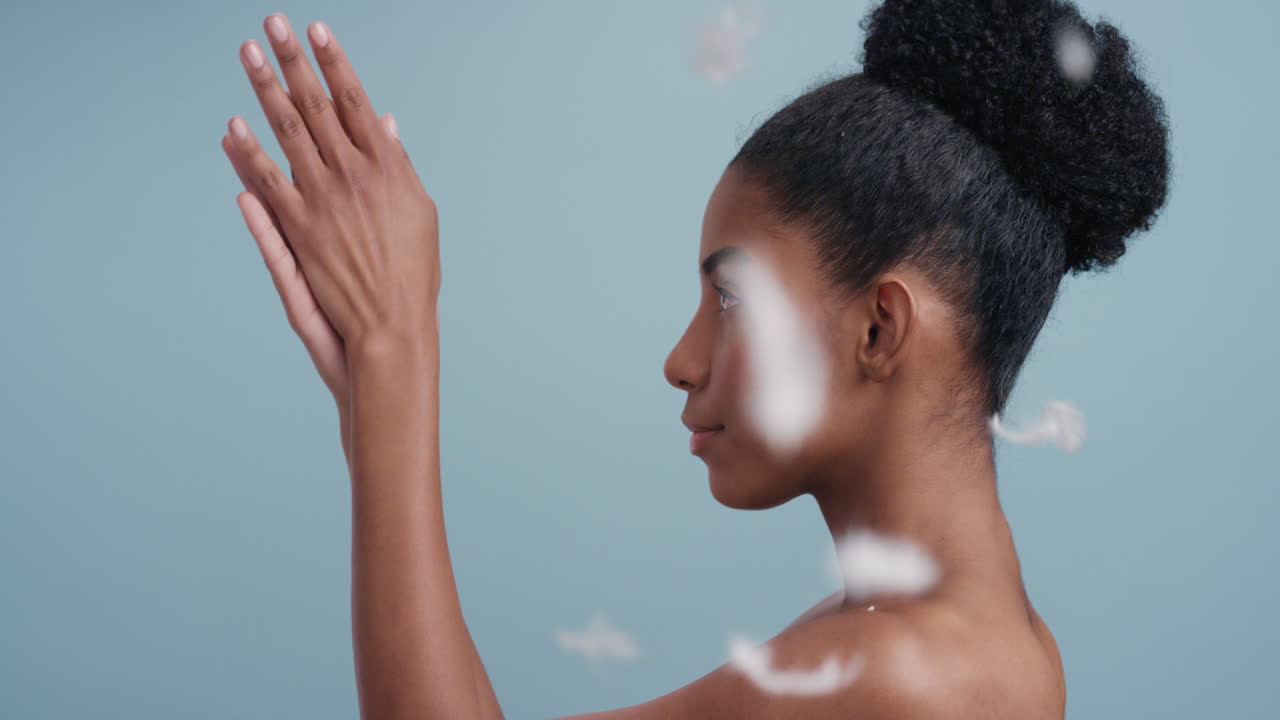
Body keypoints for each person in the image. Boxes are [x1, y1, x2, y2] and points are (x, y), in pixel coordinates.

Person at [222, 0, 1169, 717]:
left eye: (731, 299)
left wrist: (398, 352)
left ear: (879, 330)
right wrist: (370, 402)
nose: (681, 359)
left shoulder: (902, 675)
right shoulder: (952, 642)